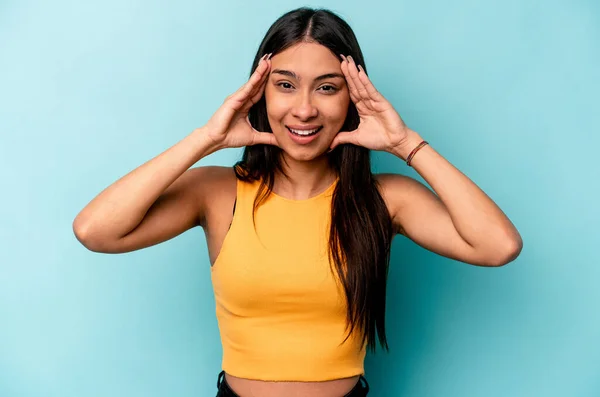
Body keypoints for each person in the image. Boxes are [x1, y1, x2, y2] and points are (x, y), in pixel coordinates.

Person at [72, 7, 523, 397]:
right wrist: (206, 140)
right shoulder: (217, 192)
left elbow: (498, 245)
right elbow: (95, 230)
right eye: (285, 85)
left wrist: (406, 143)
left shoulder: (385, 199)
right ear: (260, 93)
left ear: (352, 98)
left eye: (326, 88)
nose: (304, 109)